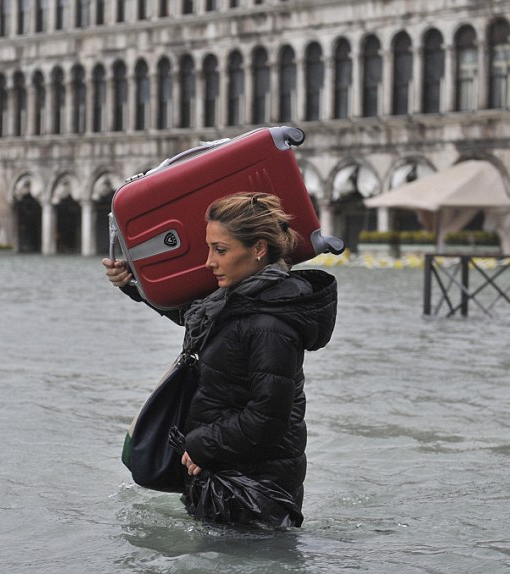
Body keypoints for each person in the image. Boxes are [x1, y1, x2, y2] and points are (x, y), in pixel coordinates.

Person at [103, 192, 337, 527]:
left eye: (221, 250)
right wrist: (134, 285)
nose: (209, 261)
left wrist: (201, 445)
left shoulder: (271, 323)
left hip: (255, 496)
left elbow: (269, 417)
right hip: (228, 481)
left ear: (258, 249)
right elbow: (195, 317)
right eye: (209, 248)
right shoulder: (238, 300)